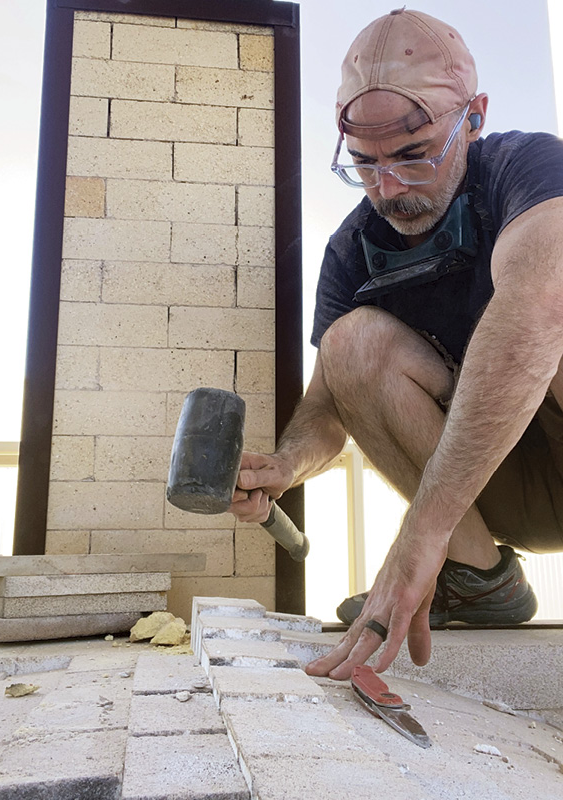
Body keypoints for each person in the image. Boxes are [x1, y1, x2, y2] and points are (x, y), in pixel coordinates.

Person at [230, 8, 563, 680]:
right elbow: (328, 404)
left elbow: (538, 308)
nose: (389, 188)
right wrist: (285, 465)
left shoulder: (528, 167)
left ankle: (441, 545)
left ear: (473, 117)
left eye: (413, 154)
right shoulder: (354, 248)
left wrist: (419, 532)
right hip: (497, 485)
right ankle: (478, 578)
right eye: (365, 164)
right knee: (349, 345)